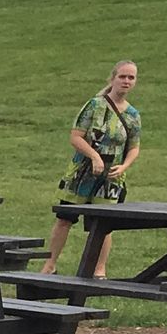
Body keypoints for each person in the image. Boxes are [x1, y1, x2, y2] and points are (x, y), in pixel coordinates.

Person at [40, 59, 140, 278]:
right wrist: (94, 156)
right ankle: (50, 264)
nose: (126, 81)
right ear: (113, 78)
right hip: (82, 173)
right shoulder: (95, 105)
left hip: (110, 178)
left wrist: (124, 166)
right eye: (122, 76)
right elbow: (76, 137)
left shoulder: (133, 115)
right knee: (65, 218)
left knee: (104, 226)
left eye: (130, 77)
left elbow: (134, 147)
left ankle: (99, 269)